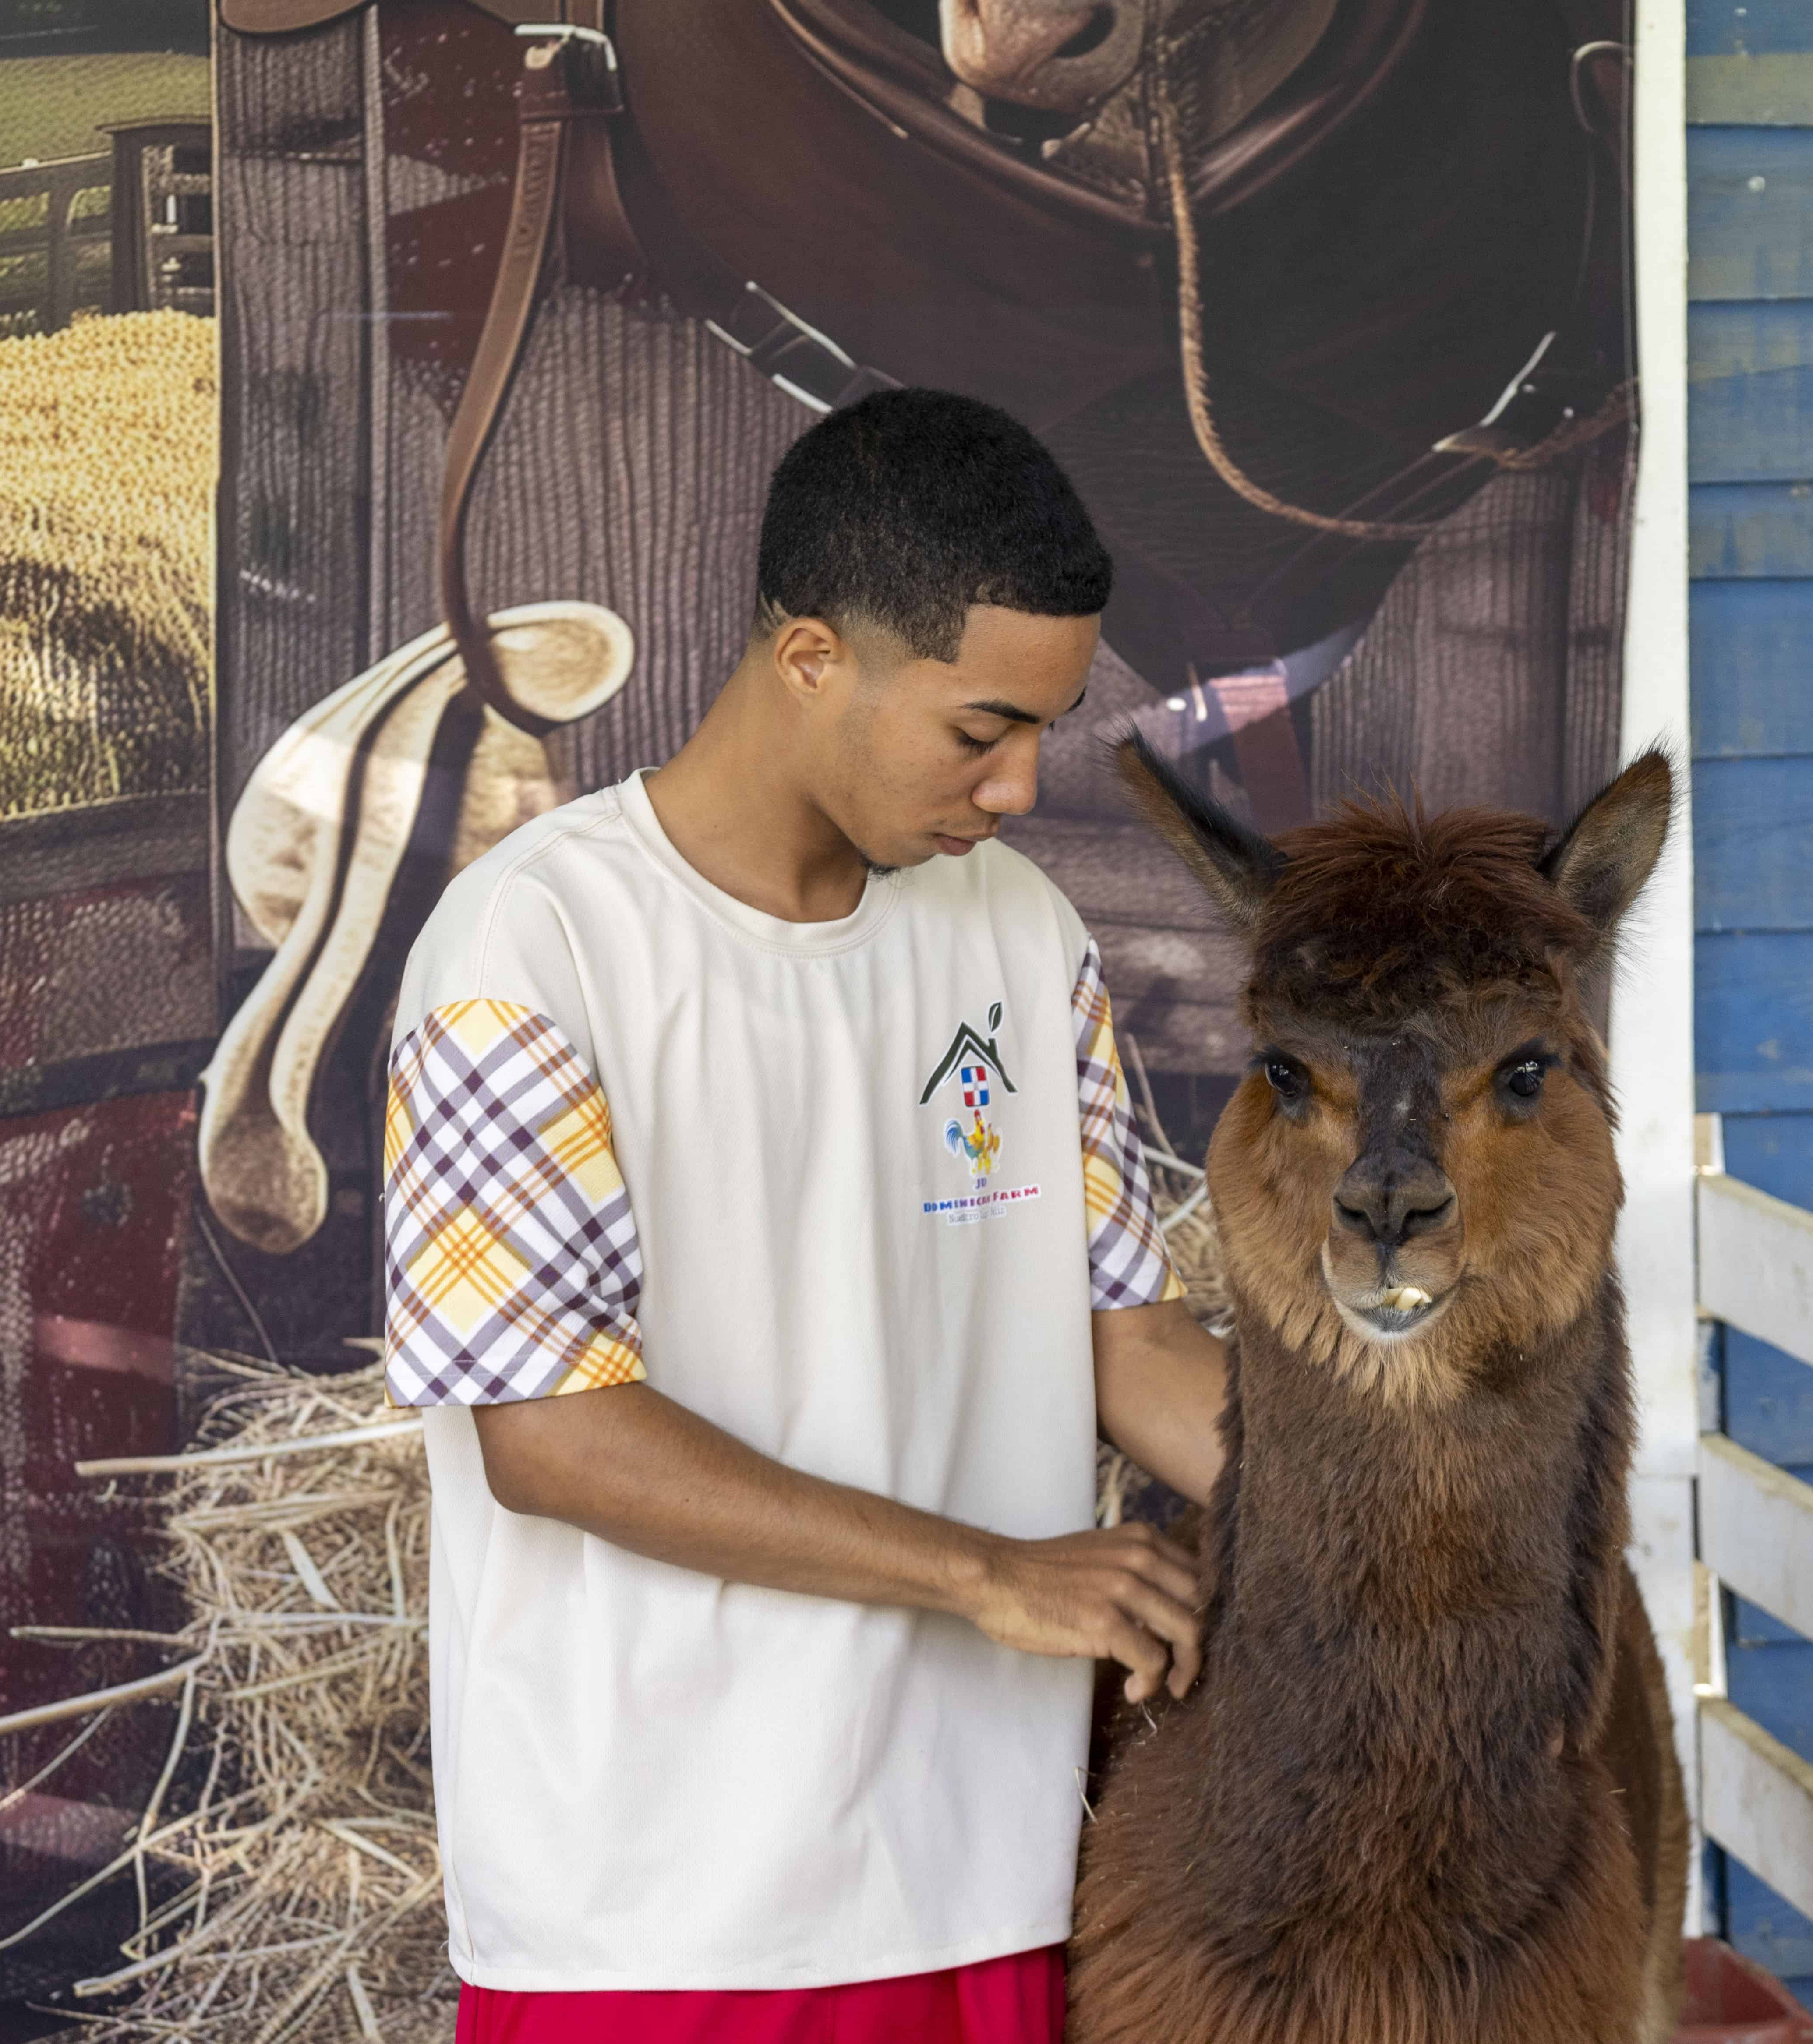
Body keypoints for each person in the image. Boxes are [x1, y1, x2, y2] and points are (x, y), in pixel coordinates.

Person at [381, 389, 1231, 2044]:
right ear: (813, 659)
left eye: (1044, 729)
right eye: (981, 728)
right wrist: (995, 1572)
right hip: (652, 1915)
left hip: (987, 1874)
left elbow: (1128, 1339)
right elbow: (549, 1436)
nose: (1018, 785)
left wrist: (1413, 1531)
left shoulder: (1022, 932)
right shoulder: (529, 950)